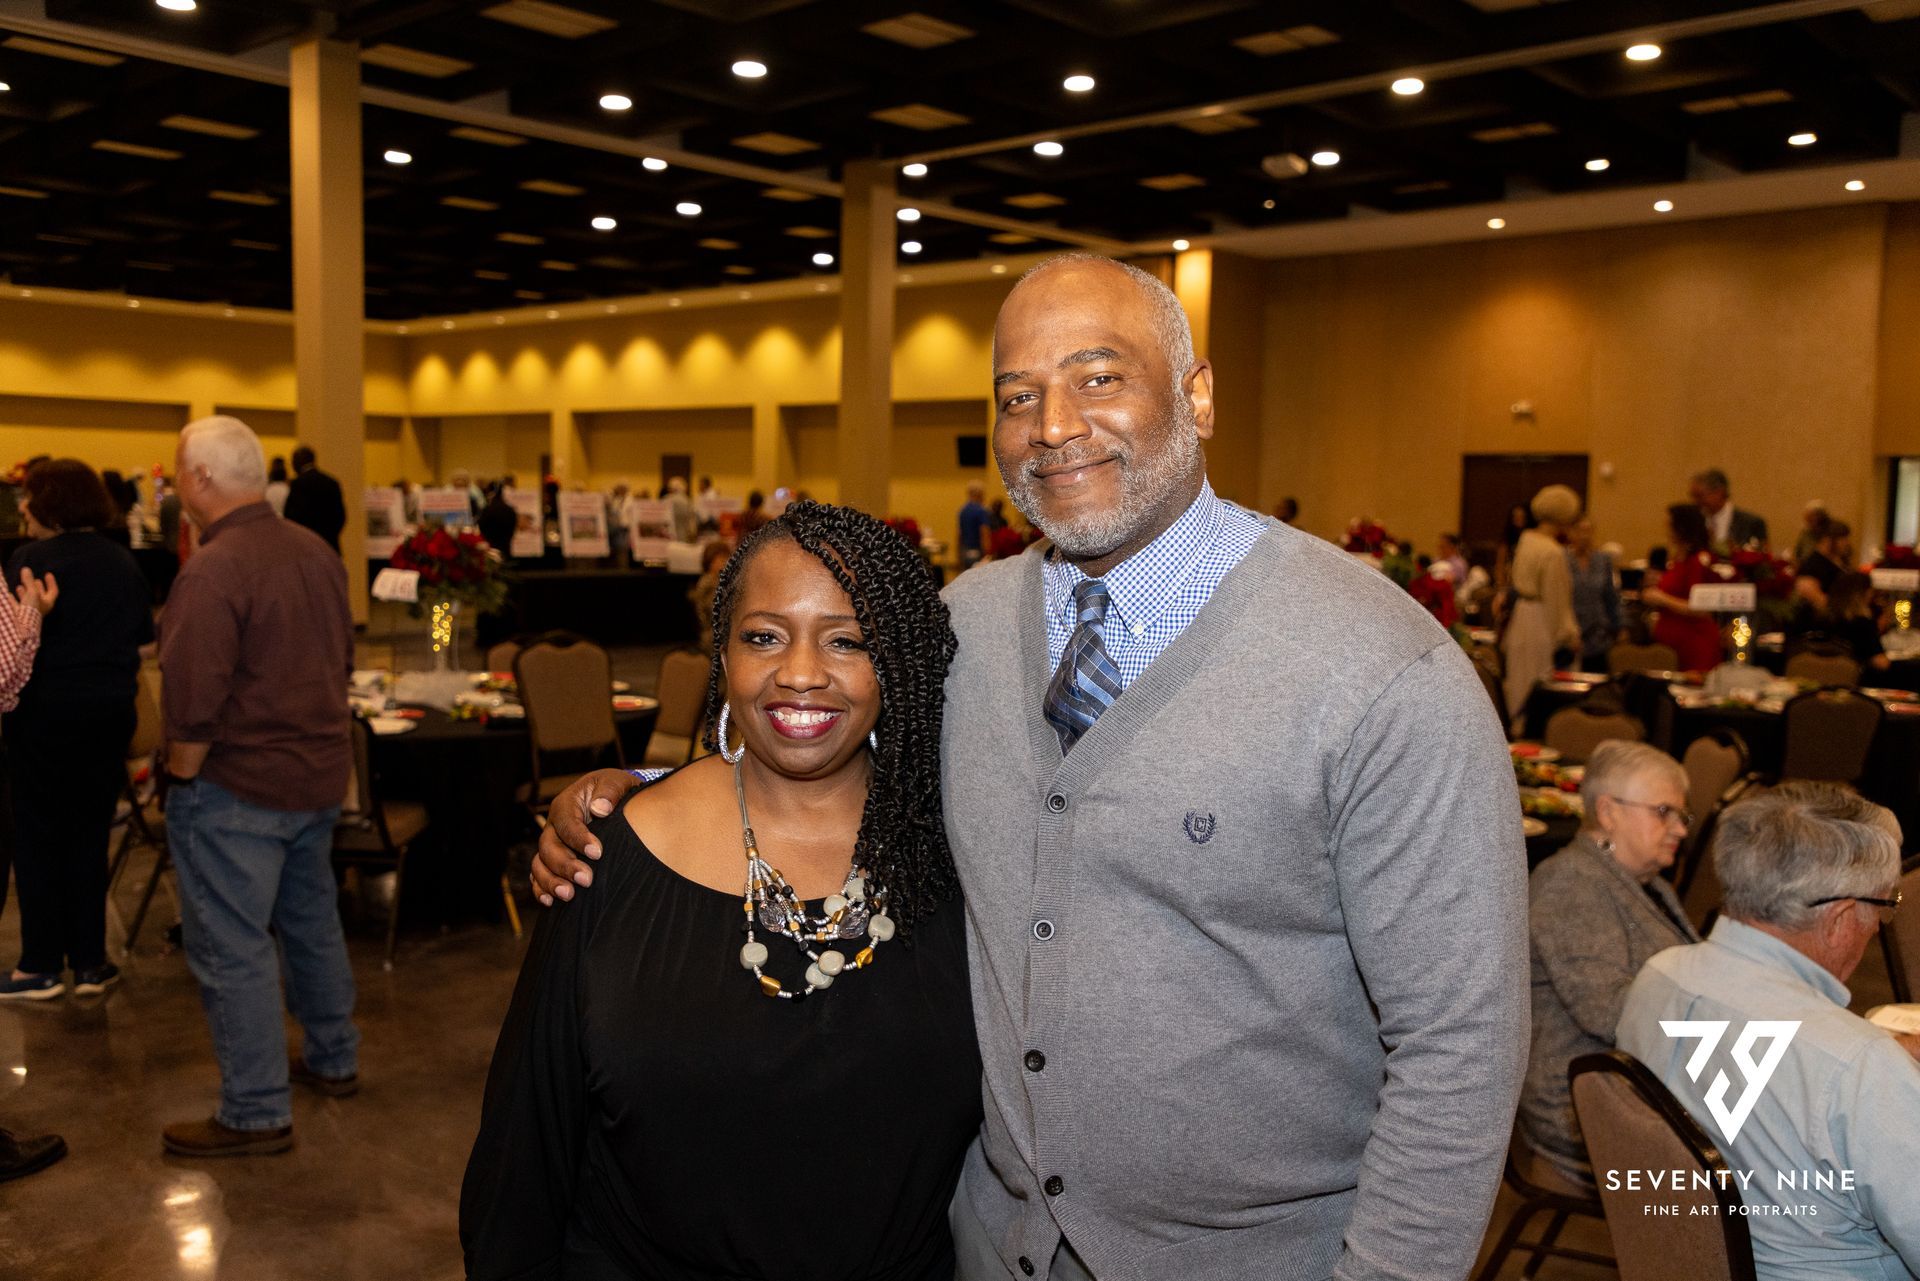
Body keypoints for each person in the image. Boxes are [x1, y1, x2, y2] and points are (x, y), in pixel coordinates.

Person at [535, 253, 1528, 1280]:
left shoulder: (1381, 674)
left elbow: (1460, 1047)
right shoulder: (955, 631)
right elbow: (815, 746)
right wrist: (633, 801)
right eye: (1018, 395)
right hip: (989, 1246)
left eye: (1099, 377)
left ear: (1198, 396)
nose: (1052, 425)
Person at [462, 502, 979, 1279]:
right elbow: (525, 1145)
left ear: (897, 662)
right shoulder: (611, 853)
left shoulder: (960, 856)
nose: (799, 672)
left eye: (846, 640)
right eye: (764, 636)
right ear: (723, 653)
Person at [1617, 782, 1920, 1279]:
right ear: (1841, 917)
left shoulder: (1658, 978)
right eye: (1884, 908)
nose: (1876, 927)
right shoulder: (1855, 1067)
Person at [157, 416, 359, 1157]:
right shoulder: (315, 551)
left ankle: (254, 1108)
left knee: (232, 947)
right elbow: (342, 659)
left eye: (180, 471)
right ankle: (334, 1056)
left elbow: (191, 696)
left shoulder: (212, 569)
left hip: (237, 786)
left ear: (201, 479)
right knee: (311, 921)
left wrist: (180, 779)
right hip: (317, 776)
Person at [1, 461, 151, 1001]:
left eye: (31, 497)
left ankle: (39, 965)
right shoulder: (122, 561)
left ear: (53, 504)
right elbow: (143, 641)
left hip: (42, 715)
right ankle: (91, 962)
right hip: (109, 713)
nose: (23, 507)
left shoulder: (29, 560)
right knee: (90, 834)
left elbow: (15, 644)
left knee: (37, 836)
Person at [1519, 742, 1698, 1188]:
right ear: (1608, 811)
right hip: (1586, 1106)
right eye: (1664, 812)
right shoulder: (1570, 885)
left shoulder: (1644, 881)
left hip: (1635, 1082)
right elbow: (1610, 1013)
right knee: (1776, 1143)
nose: (1679, 829)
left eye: (1682, 816)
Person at [1501, 485, 1582, 731]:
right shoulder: (1552, 551)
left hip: (1521, 616)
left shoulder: (1525, 540)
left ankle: (1517, 732)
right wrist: (1568, 635)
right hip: (1540, 621)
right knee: (1538, 681)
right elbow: (1557, 600)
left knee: (1519, 681)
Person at [1642, 503, 1723, 672]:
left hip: (1694, 642)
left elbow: (1702, 608)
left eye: (1670, 525)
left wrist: (1662, 598)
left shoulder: (1697, 561)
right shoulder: (1677, 560)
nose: (1667, 530)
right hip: (1673, 644)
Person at [1566, 518, 1623, 673]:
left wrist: (1619, 625)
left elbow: (1610, 596)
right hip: (1572, 630)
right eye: (1580, 531)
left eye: (1588, 531)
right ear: (1571, 533)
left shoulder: (1602, 560)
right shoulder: (1562, 559)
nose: (1584, 536)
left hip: (1598, 632)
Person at [281, 444, 346, 553]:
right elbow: (341, 516)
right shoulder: (331, 482)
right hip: (330, 546)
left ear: (299, 461)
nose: (291, 465)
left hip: (306, 547)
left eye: (293, 460)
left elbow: (291, 516)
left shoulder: (298, 484)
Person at [1689, 466, 1768, 551]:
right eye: (1693, 496)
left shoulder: (1751, 524)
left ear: (1719, 492)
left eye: (1700, 496)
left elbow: (1762, 555)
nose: (1696, 502)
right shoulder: (1693, 522)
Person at [1792, 518, 1852, 613]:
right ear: (1827, 540)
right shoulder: (1812, 566)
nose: (1847, 543)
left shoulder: (1838, 561)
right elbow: (1817, 600)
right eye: (1843, 539)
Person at [686, 537, 732, 636]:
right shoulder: (707, 582)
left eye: (726, 558)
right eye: (720, 560)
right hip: (712, 631)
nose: (724, 563)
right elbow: (709, 609)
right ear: (710, 563)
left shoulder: (726, 579)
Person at [477, 484, 518, 559]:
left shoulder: (487, 509)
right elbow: (514, 524)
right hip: (506, 543)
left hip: (490, 543)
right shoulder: (510, 509)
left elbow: (481, 524)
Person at [957, 482, 992, 569]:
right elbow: (984, 532)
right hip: (977, 551)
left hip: (965, 551)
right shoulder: (981, 511)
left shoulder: (963, 511)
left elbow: (959, 534)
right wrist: (988, 553)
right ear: (980, 494)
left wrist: (958, 554)